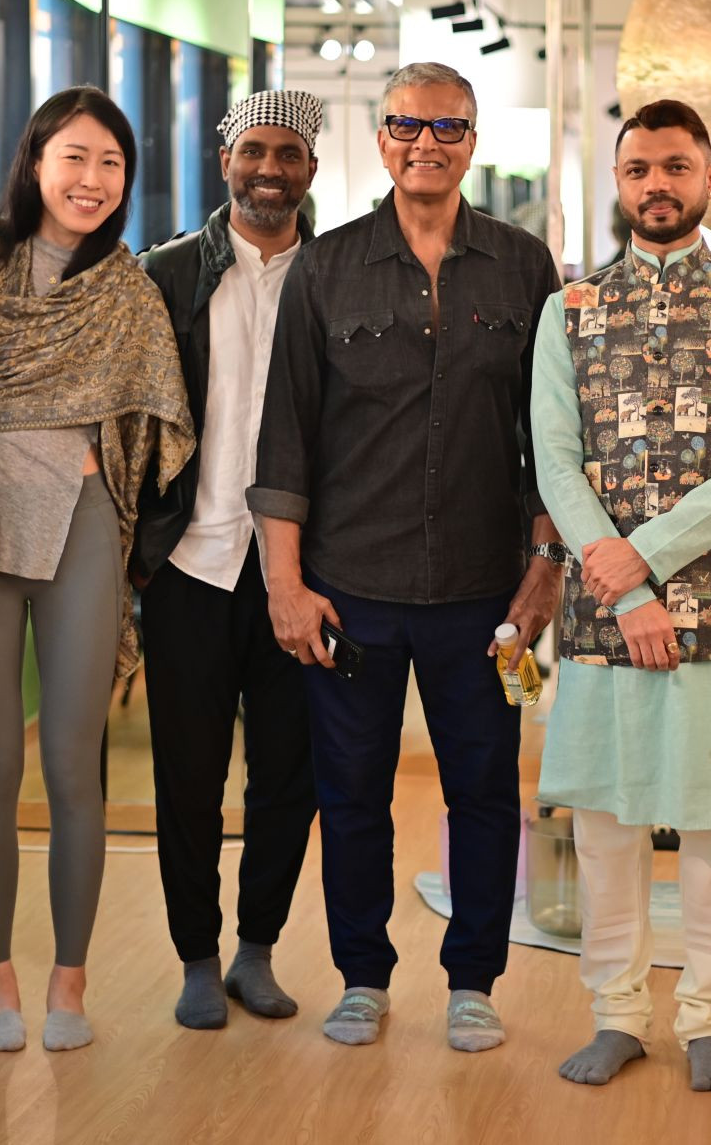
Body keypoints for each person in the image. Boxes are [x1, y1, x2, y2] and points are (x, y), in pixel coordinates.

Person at [248, 61, 563, 1052]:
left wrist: (547, 564)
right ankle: (362, 977)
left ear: (473, 140)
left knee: (485, 788)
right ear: (379, 138)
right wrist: (285, 583)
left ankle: (473, 981)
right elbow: (285, 440)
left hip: (485, 589)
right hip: (351, 588)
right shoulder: (326, 268)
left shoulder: (523, 266)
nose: (426, 143)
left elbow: (552, 437)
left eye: (447, 126)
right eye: (406, 125)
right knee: (351, 794)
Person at [534, 100, 711, 1094]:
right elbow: (555, 459)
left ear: (710, 177)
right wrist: (623, 585)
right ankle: (616, 1013)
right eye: (640, 168)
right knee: (605, 824)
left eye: (676, 166)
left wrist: (641, 561)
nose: (658, 184)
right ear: (619, 181)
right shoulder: (569, 309)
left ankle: (709, 1018)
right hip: (603, 614)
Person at [0, 86, 195, 1053]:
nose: (92, 179)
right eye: (75, 157)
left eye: (111, 163)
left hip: (83, 521)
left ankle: (70, 985)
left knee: (72, 763)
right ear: (36, 161)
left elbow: (164, 417)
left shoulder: (127, 288)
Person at [134, 91, 324, 1030]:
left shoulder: (334, 274)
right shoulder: (165, 275)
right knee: (189, 777)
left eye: (288, 154)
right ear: (226, 161)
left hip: (303, 573)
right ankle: (197, 957)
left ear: (311, 170)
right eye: (255, 151)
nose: (270, 169)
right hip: (191, 562)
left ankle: (257, 949)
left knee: (290, 772)